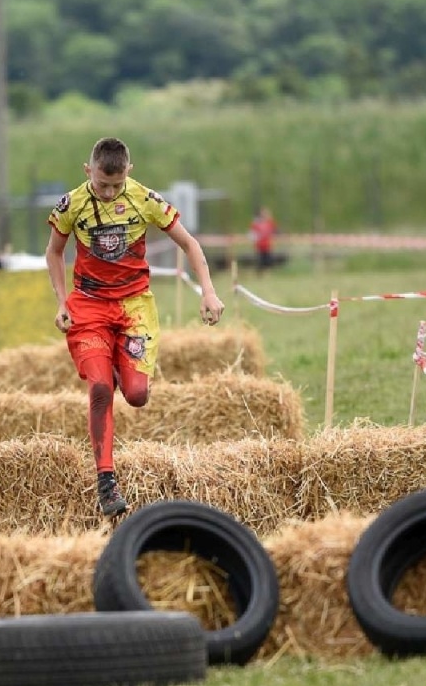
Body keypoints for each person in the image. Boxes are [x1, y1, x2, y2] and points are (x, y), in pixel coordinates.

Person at [45, 136, 225, 516]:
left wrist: (208, 291)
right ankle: (106, 481)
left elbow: (189, 244)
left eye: (116, 185)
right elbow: (54, 252)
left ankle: (116, 364)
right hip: (89, 304)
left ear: (130, 171)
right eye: (101, 184)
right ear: (88, 171)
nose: (109, 193)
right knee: (99, 389)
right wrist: (61, 302)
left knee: (137, 394)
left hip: (134, 306)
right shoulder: (72, 204)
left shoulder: (145, 200)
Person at [250, 206, 278, 271]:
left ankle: (268, 274)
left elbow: (275, 231)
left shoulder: (270, 222)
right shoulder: (256, 223)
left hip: (268, 246)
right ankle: (261, 275)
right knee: (260, 262)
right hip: (259, 246)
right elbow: (252, 234)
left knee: (269, 261)